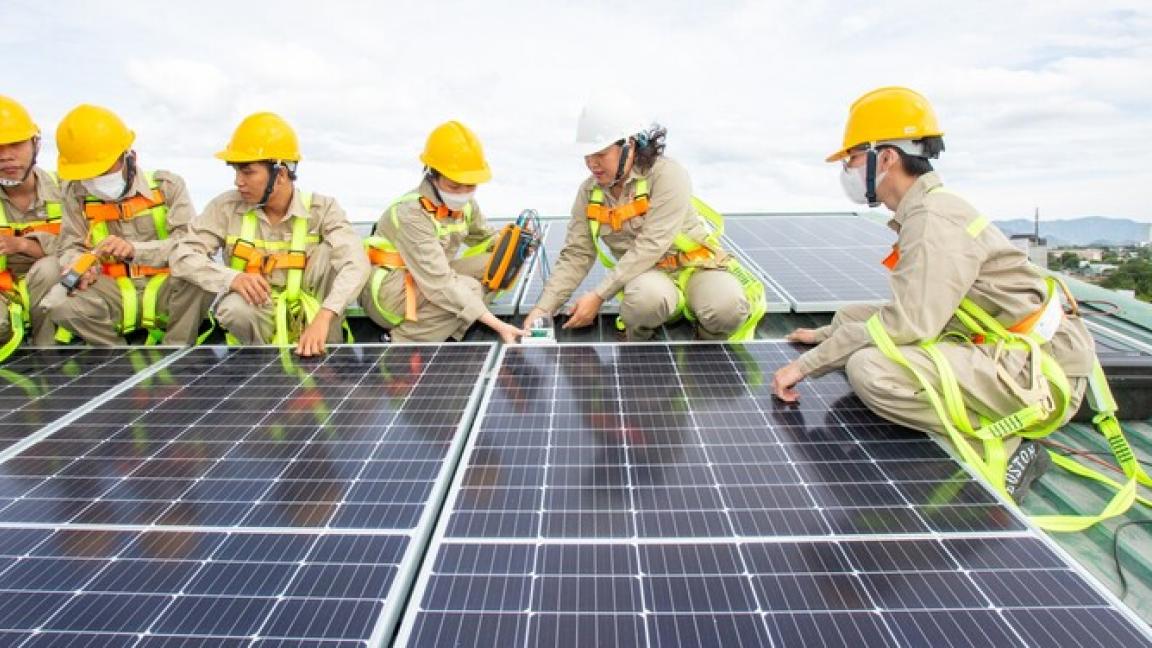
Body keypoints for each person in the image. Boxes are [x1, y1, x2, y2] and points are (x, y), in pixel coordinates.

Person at [771, 86, 1096, 503]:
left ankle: (1011, 448)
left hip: (1039, 375)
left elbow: (907, 324)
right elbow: (914, 311)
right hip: (1007, 347)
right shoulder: (927, 209)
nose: (848, 169)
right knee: (852, 317)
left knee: (871, 369)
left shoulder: (932, 219)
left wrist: (806, 366)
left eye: (852, 158)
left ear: (885, 158)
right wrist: (828, 333)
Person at [521, 99, 762, 341]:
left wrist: (598, 295)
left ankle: (704, 347)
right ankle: (640, 349)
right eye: (587, 155)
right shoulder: (589, 193)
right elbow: (577, 253)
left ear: (630, 145)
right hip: (647, 278)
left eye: (601, 154)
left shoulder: (667, 175)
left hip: (697, 268)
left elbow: (652, 244)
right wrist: (543, 309)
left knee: (727, 308)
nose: (592, 163)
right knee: (643, 302)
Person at [169, 112, 370, 356]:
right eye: (236, 171)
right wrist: (231, 278)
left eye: (247, 172)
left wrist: (325, 316)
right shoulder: (225, 208)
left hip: (316, 318)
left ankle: (326, 352)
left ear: (281, 174)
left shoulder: (323, 210)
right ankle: (259, 363)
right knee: (233, 309)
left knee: (333, 252)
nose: (238, 181)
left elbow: (356, 264)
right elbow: (183, 255)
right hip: (257, 317)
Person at [49, 104, 210, 346]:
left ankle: (176, 354)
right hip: (111, 288)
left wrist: (135, 250)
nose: (97, 180)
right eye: (89, 174)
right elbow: (70, 245)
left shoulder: (167, 186)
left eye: (104, 169)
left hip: (167, 286)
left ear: (129, 156)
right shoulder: (75, 192)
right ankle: (115, 359)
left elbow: (189, 244)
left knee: (203, 278)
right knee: (57, 302)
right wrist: (79, 265)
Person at [360, 120, 524, 343]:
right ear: (432, 174)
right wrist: (498, 325)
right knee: (469, 290)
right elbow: (439, 283)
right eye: (455, 186)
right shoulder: (411, 213)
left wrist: (517, 244)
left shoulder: (465, 205)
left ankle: (444, 324)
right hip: (390, 289)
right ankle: (400, 342)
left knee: (499, 265)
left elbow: (487, 237)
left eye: (471, 185)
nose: (463, 192)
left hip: (425, 280)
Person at [0, 95, 62, 356]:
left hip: (54, 285)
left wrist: (23, 245)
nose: (6, 157)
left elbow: (82, 248)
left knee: (49, 268)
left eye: (15, 144)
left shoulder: (68, 190)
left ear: (35, 143)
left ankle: (48, 358)